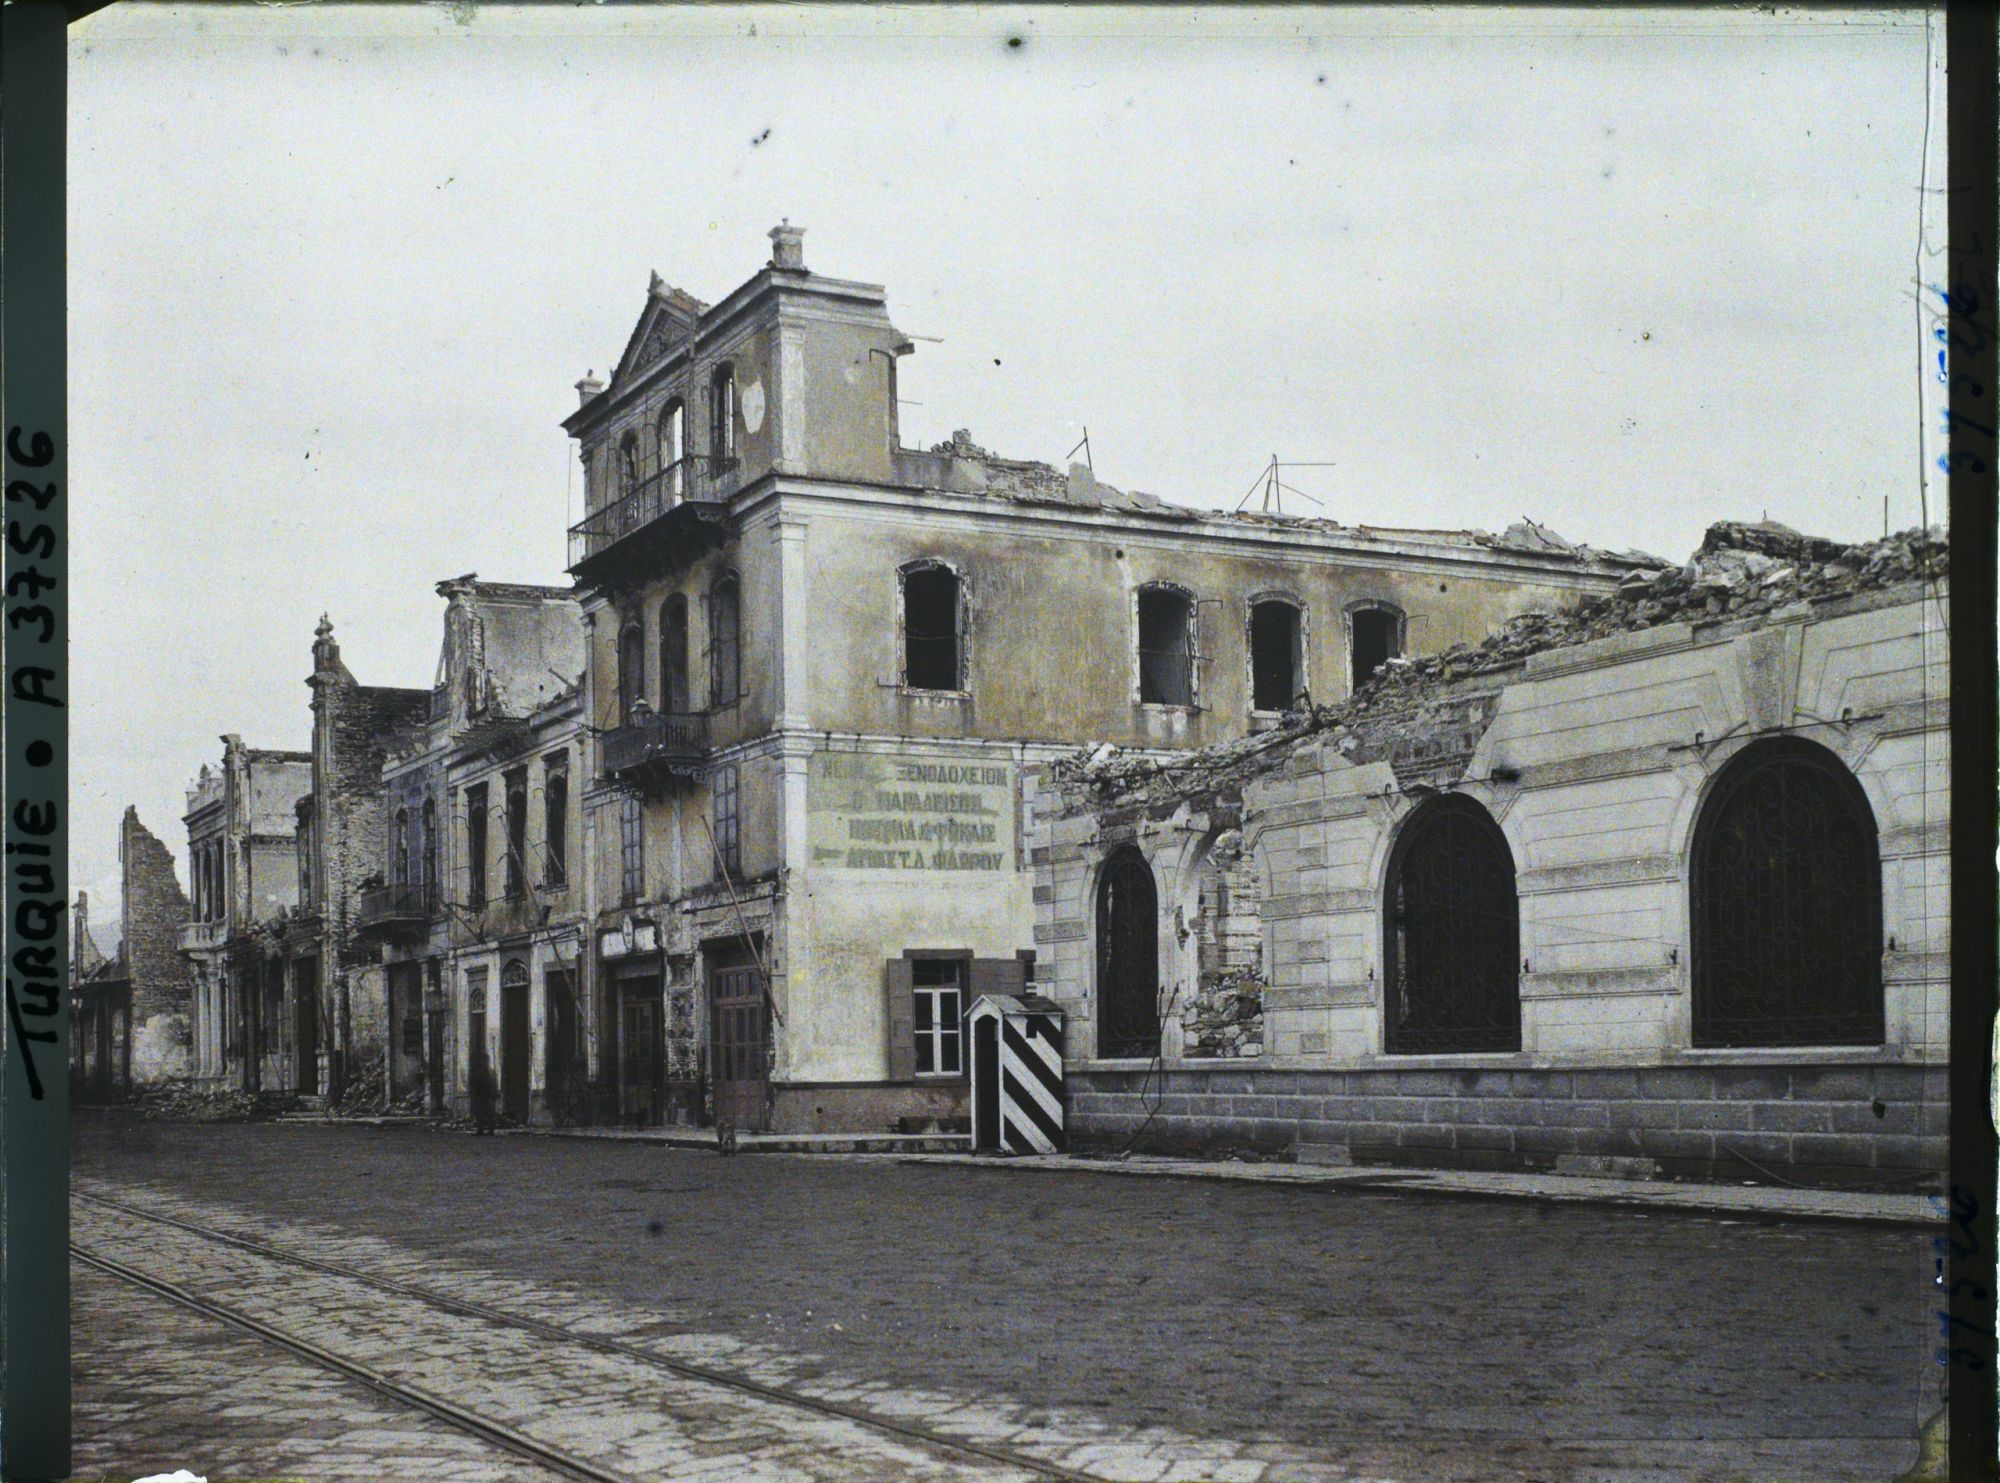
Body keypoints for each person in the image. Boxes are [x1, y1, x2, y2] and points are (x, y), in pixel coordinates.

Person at [469, 1057, 497, 1136]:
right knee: (483, 1113)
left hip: (484, 1095)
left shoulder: (485, 1072)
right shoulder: (487, 1071)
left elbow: (492, 1083)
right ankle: (483, 1129)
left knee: (485, 1113)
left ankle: (486, 1129)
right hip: (483, 1095)